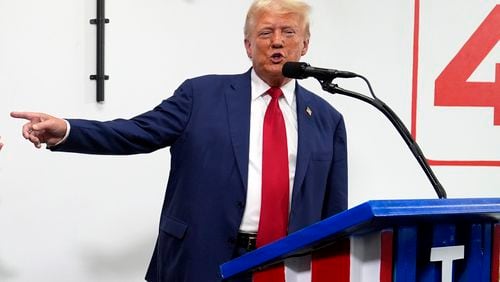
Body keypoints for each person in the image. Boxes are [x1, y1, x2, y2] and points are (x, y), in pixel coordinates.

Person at [11, 0, 347, 281]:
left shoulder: (327, 120)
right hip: (199, 261)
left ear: (304, 43)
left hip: (287, 266)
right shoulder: (200, 95)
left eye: (288, 32)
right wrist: (67, 129)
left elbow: (334, 215)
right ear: (248, 45)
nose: (277, 42)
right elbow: (135, 133)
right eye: (265, 33)